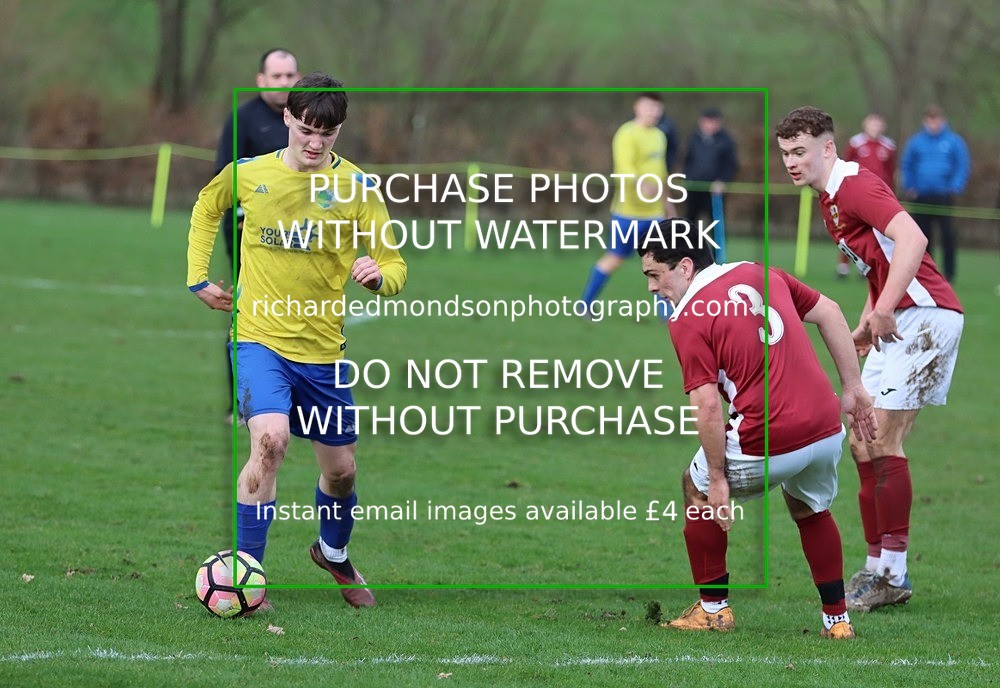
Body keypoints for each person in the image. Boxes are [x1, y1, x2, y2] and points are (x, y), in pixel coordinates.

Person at [187, 72, 408, 610]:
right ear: (287, 117)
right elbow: (205, 207)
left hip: (323, 354)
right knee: (270, 441)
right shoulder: (249, 175)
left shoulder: (357, 189)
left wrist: (378, 278)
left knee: (342, 471)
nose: (314, 142)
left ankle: (332, 553)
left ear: (340, 131)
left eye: (326, 134)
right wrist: (199, 276)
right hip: (259, 339)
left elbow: (396, 264)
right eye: (306, 128)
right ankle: (247, 576)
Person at [639, 237, 877, 639]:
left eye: (654, 275)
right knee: (810, 509)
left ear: (684, 267)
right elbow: (831, 312)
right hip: (824, 427)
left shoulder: (687, 316)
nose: (650, 287)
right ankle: (837, 621)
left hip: (767, 435)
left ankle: (713, 610)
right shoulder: (761, 272)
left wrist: (717, 478)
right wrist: (853, 388)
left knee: (695, 488)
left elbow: (708, 405)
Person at [776, 106, 964, 612]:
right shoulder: (828, 199)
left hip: (925, 314)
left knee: (883, 436)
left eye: (800, 152)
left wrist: (883, 309)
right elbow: (878, 263)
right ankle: (877, 566)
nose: (792, 162)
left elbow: (913, 239)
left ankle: (893, 574)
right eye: (786, 154)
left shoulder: (856, 185)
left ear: (828, 148)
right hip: (894, 314)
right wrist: (867, 318)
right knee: (862, 439)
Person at [216, 48, 301, 425]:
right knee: (249, 310)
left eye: (290, 75)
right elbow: (225, 176)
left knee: (299, 309)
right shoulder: (243, 119)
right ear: (261, 79)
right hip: (249, 232)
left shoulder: (305, 120)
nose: (284, 82)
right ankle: (242, 401)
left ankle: (290, 397)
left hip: (302, 234)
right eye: (277, 76)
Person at [580, 93, 678, 318]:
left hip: (654, 214)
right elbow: (625, 171)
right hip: (628, 213)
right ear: (637, 107)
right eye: (649, 107)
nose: (653, 112)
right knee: (614, 259)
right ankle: (585, 304)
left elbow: (661, 174)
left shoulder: (659, 136)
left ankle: (667, 314)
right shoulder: (626, 134)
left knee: (660, 263)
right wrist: (644, 188)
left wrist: (668, 207)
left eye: (657, 108)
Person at [901, 105, 970, 282]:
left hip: (944, 196)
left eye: (936, 120)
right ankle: (926, 272)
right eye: (930, 120)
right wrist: (910, 186)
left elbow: (961, 165)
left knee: (947, 235)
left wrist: (955, 186)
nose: (933, 124)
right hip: (921, 196)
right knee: (922, 237)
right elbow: (907, 165)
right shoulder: (916, 142)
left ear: (942, 121)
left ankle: (949, 273)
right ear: (925, 121)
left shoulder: (953, 141)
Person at [837, 113, 896, 278]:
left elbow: (890, 173)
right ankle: (843, 266)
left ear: (883, 126)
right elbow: (844, 166)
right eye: (872, 124)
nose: (874, 127)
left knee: (875, 234)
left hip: (878, 197)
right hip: (855, 194)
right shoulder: (855, 143)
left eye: (878, 124)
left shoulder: (889, 146)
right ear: (865, 124)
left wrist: (890, 193)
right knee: (849, 229)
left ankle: (867, 267)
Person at [682, 108, 737, 230]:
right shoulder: (693, 138)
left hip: (715, 190)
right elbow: (687, 160)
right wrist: (688, 178)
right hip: (694, 188)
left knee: (716, 223)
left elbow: (731, 164)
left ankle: (717, 250)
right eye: (708, 121)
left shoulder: (726, 140)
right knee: (688, 222)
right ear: (701, 122)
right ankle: (686, 248)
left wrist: (722, 181)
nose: (711, 125)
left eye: (714, 122)